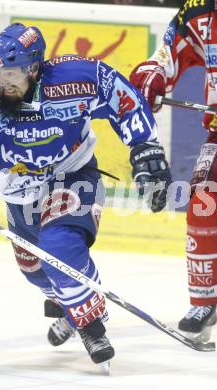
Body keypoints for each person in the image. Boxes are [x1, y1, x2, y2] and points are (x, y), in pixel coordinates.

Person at [0, 23, 171, 364]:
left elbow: (122, 98)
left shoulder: (74, 78)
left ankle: (90, 324)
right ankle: (70, 303)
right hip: (19, 193)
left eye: (12, 72)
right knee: (34, 269)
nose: (3, 79)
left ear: (34, 67)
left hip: (73, 175)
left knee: (59, 246)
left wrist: (145, 147)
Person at [130, 0, 217, 342]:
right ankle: (204, 302)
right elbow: (167, 55)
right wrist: (150, 78)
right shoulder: (198, 11)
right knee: (202, 204)